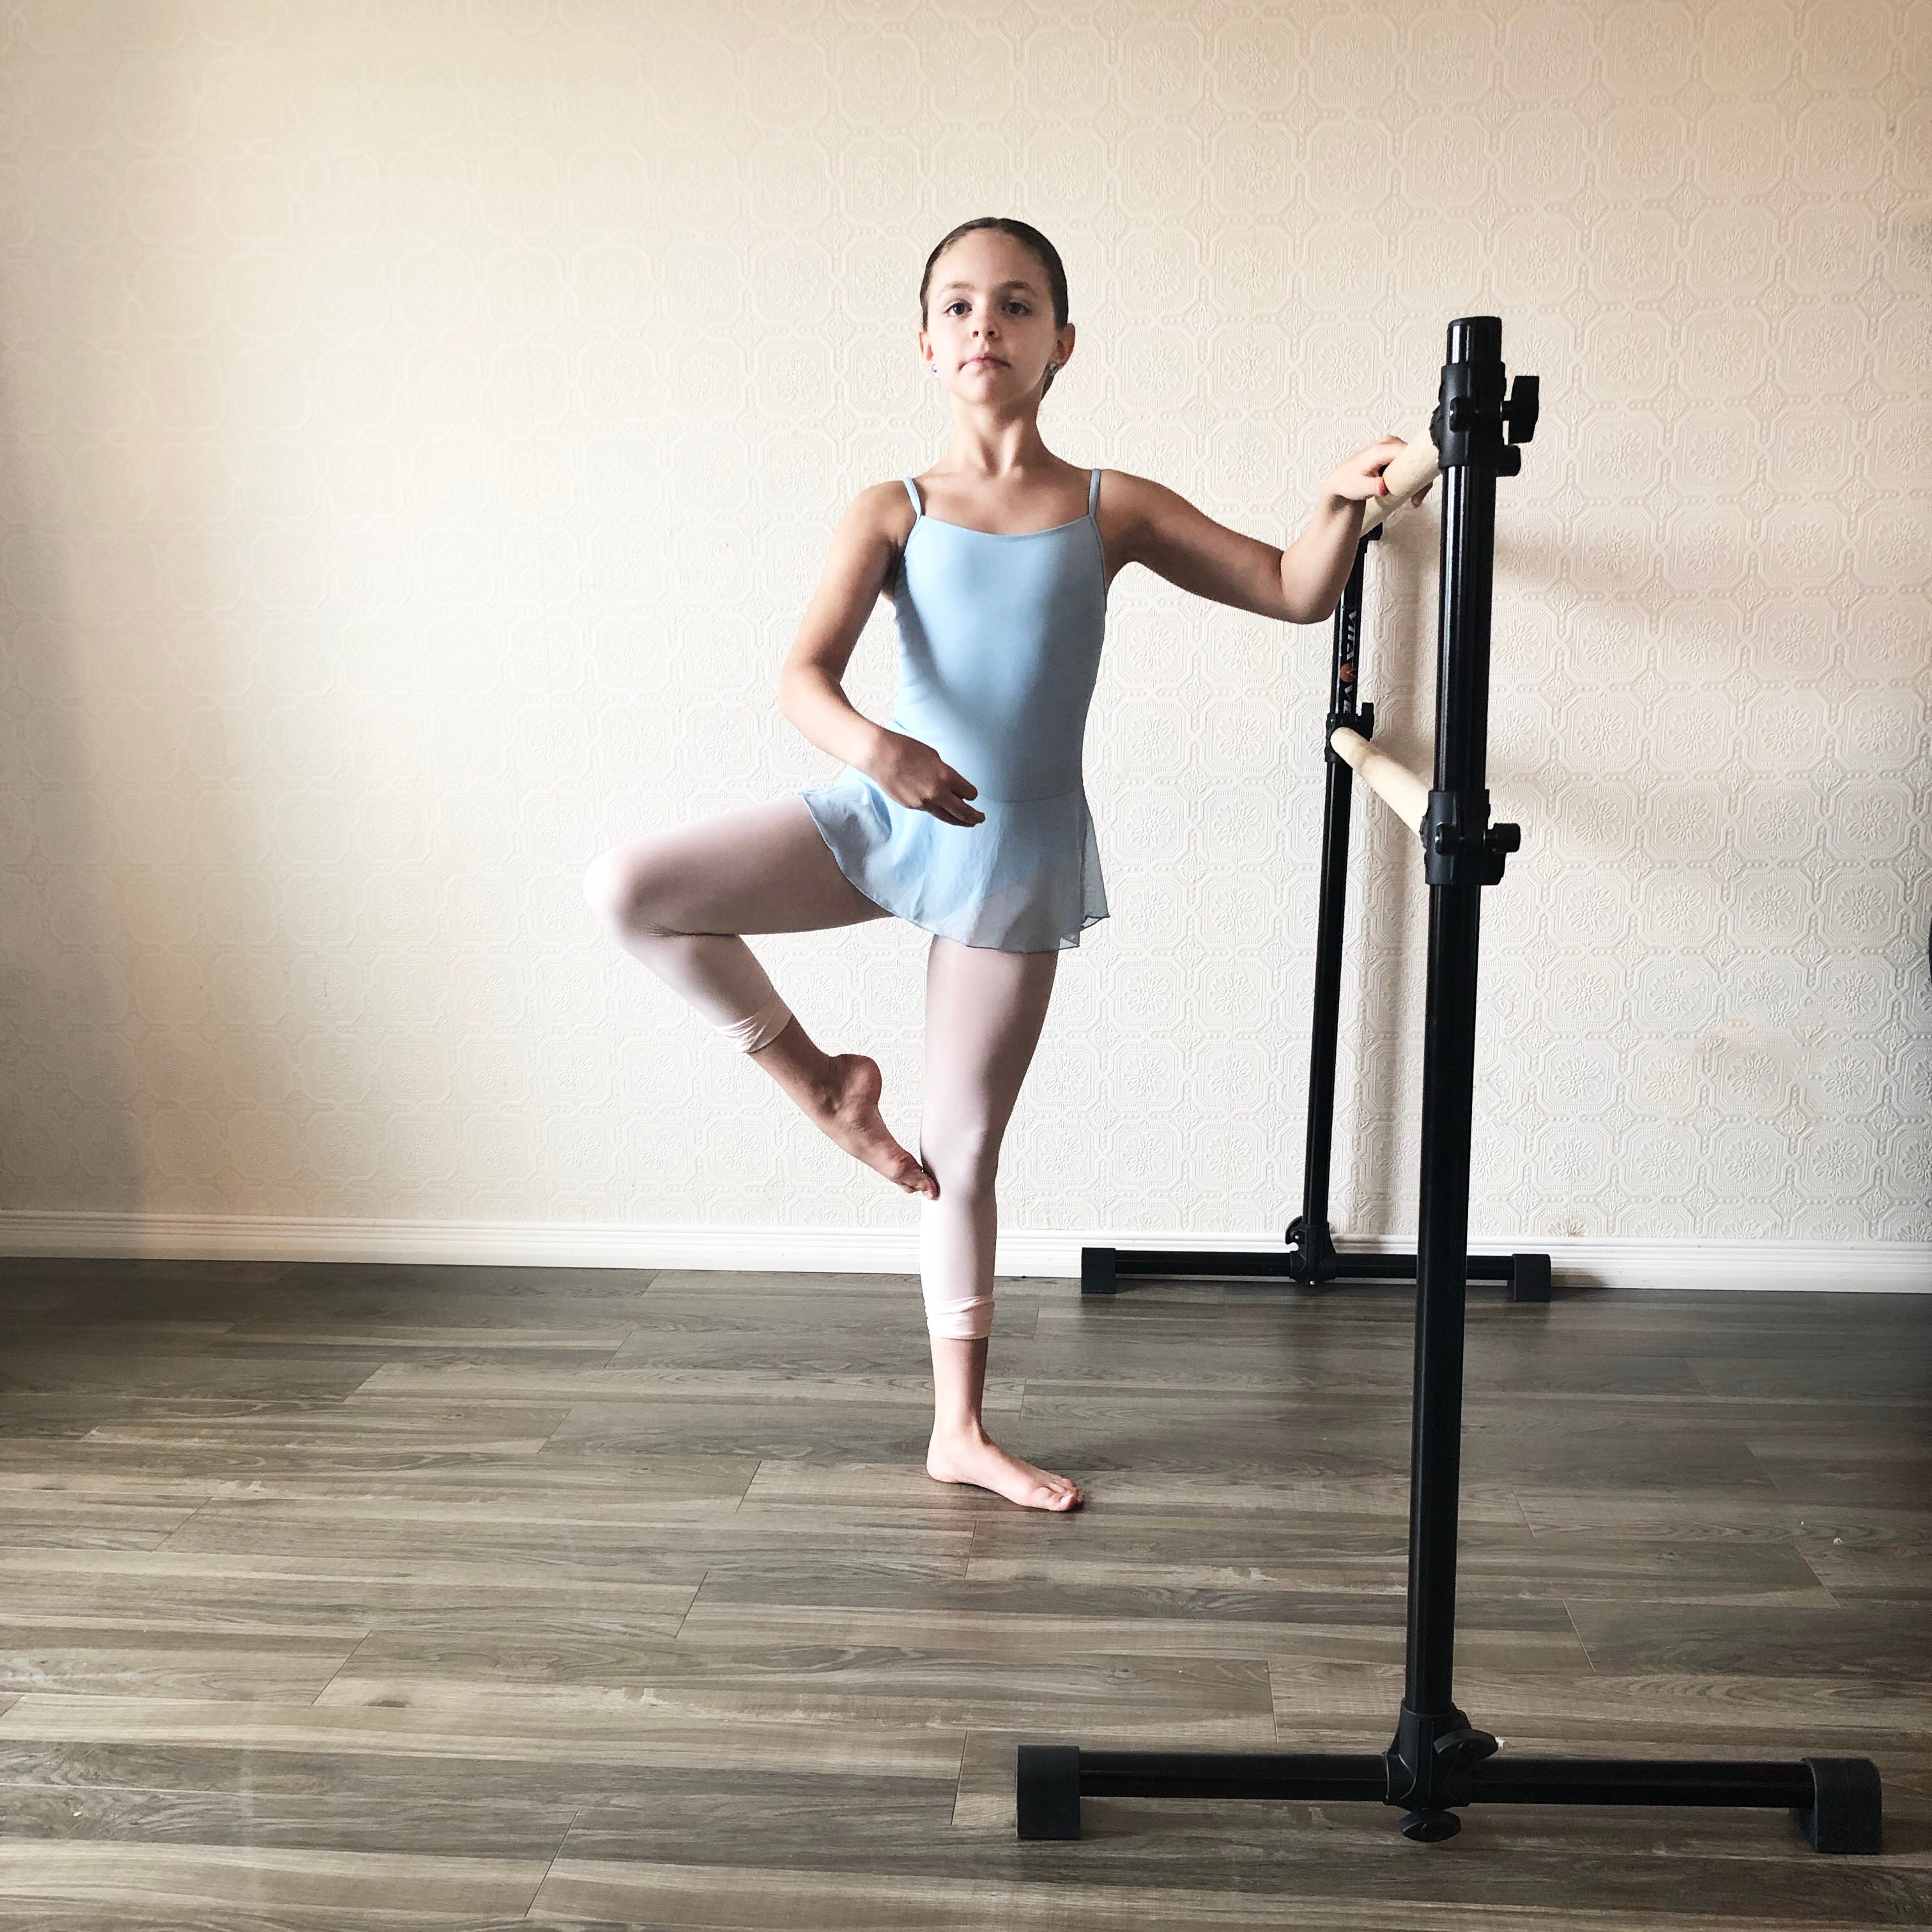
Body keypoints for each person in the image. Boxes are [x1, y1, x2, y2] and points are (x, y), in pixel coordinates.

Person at [582, 217, 1432, 1514]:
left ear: (1061, 345)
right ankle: (820, 1087)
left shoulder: (1111, 508)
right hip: (884, 818)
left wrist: (1340, 501)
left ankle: (958, 1431)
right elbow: (800, 676)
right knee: (630, 888)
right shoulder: (891, 509)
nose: (989, 325)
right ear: (928, 344)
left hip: (1009, 856)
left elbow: (1291, 591)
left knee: (964, 1151)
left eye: (1018, 305)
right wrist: (884, 752)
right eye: (963, 306)